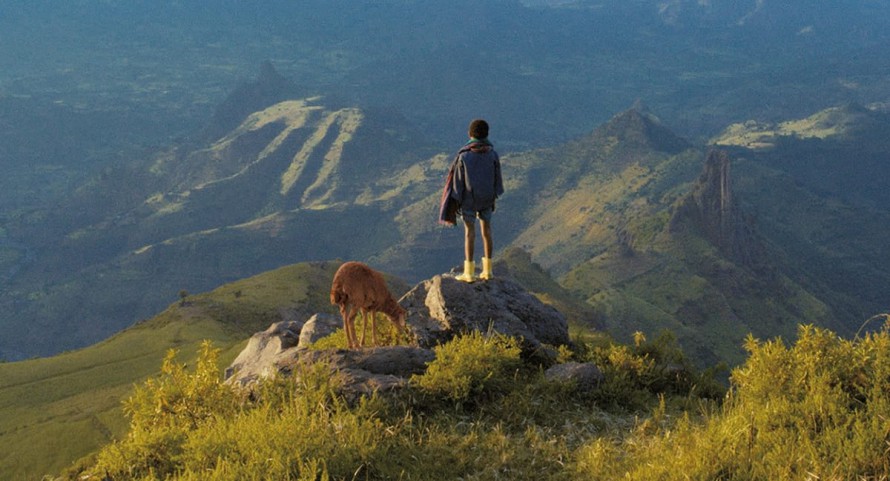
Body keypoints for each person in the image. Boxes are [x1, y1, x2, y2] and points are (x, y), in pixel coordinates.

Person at [450, 119, 504, 282]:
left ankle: (469, 273)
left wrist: (457, 201)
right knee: (487, 231)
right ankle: (488, 271)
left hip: (469, 199)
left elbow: (458, 183)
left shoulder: (464, 156)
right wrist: (494, 196)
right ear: (486, 134)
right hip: (487, 198)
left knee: (469, 233)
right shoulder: (492, 154)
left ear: (470, 134)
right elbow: (497, 179)